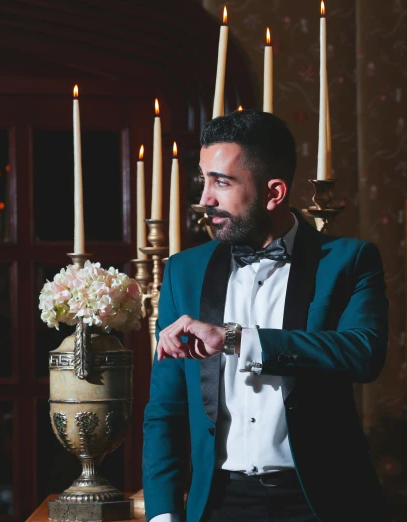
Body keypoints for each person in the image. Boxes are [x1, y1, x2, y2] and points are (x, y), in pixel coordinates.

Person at [142, 110, 389, 522]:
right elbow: (165, 409)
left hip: (323, 502)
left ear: (274, 193)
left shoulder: (349, 260)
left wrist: (237, 339)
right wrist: (163, 514)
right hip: (220, 503)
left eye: (221, 182)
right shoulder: (183, 272)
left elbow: (364, 352)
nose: (205, 199)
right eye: (204, 180)